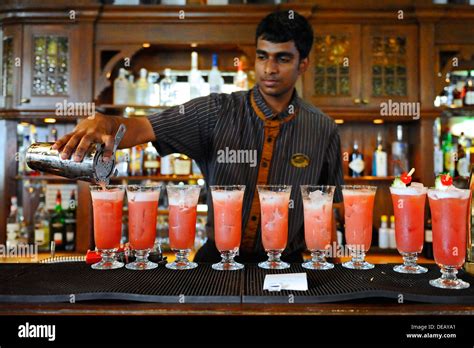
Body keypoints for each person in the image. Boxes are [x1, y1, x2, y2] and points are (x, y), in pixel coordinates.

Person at [53, 10, 344, 264]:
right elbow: (143, 127)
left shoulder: (323, 129)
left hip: (287, 264)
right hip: (215, 261)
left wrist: (338, 273)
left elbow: (329, 207)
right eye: (262, 56)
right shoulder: (215, 111)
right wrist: (106, 121)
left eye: (282, 58)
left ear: (303, 64)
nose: (269, 69)